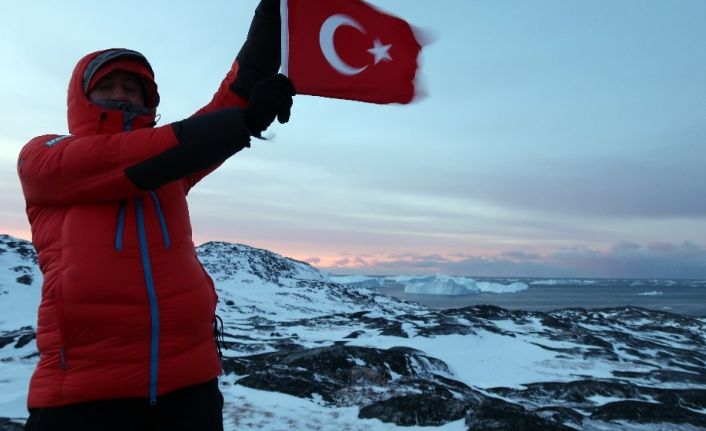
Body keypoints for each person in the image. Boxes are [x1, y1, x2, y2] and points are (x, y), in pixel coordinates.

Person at [16, 0, 292, 429]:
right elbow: (128, 157)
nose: (123, 94)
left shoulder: (171, 167)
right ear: (82, 95)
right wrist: (239, 125)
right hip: (85, 394)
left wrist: (274, 19)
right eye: (109, 85)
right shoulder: (46, 159)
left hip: (191, 386)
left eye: (135, 88)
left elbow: (226, 106)